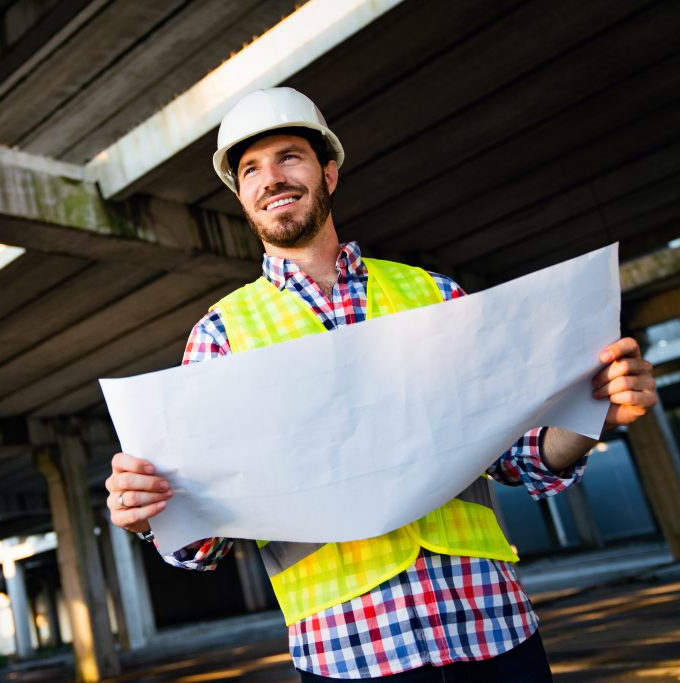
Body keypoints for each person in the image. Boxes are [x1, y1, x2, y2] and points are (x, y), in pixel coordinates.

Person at [104, 87, 658, 681]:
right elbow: (203, 540)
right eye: (250, 170)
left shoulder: (433, 296)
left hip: (492, 628)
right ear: (241, 196)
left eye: (290, 156)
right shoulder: (220, 341)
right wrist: (150, 513)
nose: (272, 179)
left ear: (329, 174)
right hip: (350, 651)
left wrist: (593, 414)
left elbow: (517, 454)